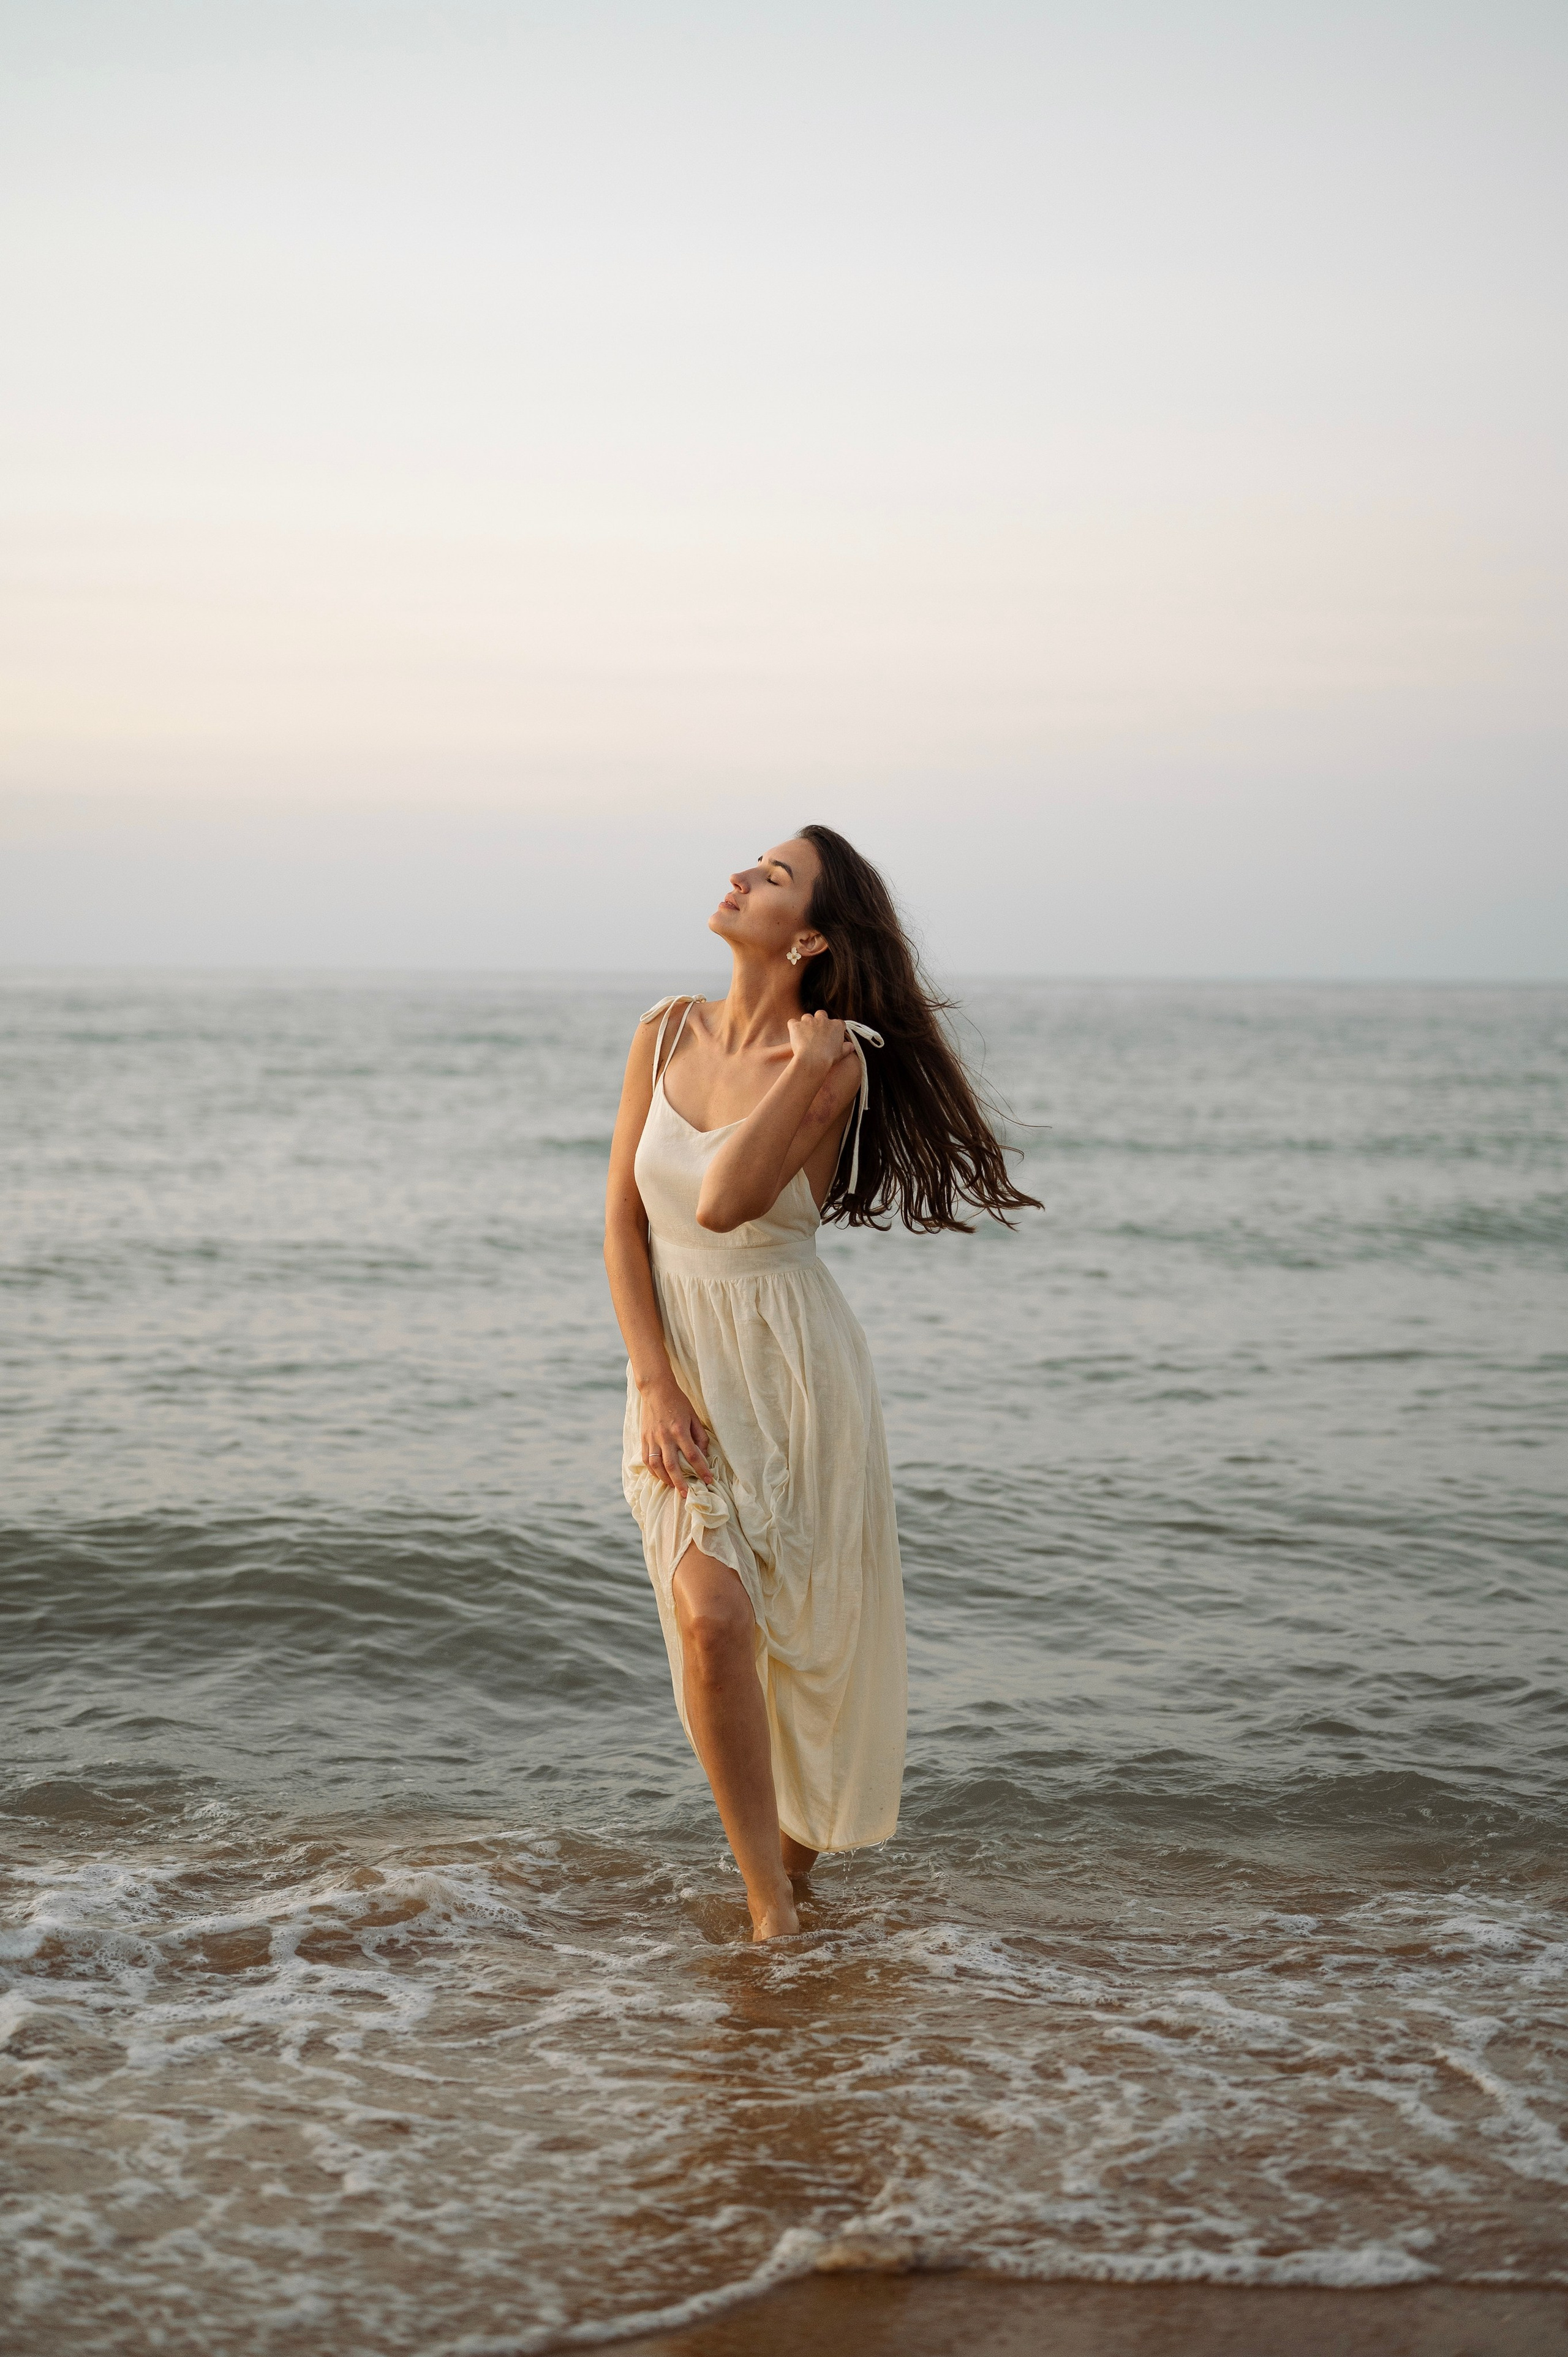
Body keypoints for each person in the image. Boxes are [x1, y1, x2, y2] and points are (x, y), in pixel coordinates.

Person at [603, 825, 1039, 1941]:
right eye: (751, 861)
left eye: (775, 876)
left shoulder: (833, 1058)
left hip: (795, 1369)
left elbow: (719, 1205)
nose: (742, 875)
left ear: (807, 939)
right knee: (712, 1621)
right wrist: (653, 1382)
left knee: (803, 1640)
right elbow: (622, 1222)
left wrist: (800, 1065)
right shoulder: (661, 1034)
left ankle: (793, 1878)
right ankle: (768, 1903)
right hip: (685, 1367)